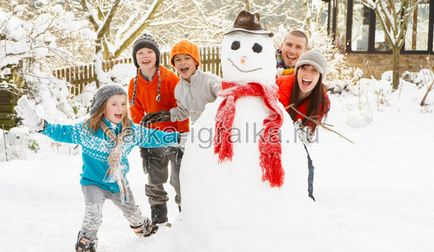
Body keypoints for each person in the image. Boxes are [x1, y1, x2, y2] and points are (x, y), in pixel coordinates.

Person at [14, 84, 185, 252]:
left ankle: (141, 226)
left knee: (132, 211)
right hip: (93, 182)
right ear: (103, 107)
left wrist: (177, 138)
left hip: (119, 183)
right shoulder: (88, 130)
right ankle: (87, 240)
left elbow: (153, 136)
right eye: (114, 104)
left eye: (123, 103)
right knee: (93, 213)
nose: (120, 107)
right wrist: (41, 125)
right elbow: (62, 132)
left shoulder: (130, 131)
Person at [128, 33, 189, 225]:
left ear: (156, 55)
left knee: (180, 179)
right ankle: (159, 217)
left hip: (174, 136)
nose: (145, 56)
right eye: (140, 53)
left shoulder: (170, 78)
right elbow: (136, 112)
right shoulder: (134, 84)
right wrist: (143, 136)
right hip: (152, 138)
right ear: (135, 58)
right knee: (155, 179)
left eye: (149, 52)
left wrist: (182, 135)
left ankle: (185, 215)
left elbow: (181, 107)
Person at [141, 39, 221, 125]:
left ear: (195, 62)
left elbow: (228, 102)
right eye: (178, 60)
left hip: (219, 128)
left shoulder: (211, 82)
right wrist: (166, 115)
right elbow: (184, 111)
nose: (182, 62)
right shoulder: (179, 88)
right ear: (174, 65)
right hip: (199, 130)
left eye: (187, 58)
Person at [276, 49, 330, 143]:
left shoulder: (322, 103)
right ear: (297, 71)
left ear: (320, 77)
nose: (307, 74)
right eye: (304, 67)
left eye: (314, 70)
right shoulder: (278, 85)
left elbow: (307, 136)